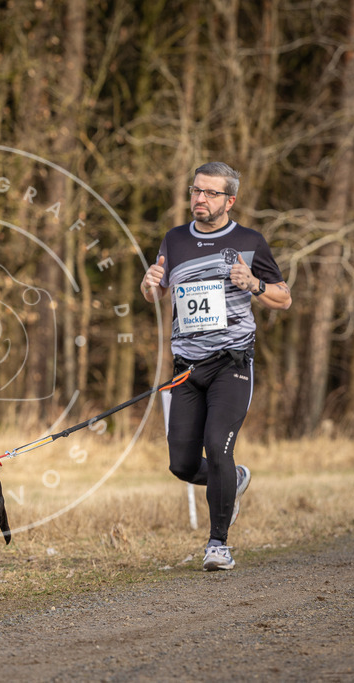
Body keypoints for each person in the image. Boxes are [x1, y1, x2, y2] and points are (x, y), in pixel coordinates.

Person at [140, 162, 292, 571]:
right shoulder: (174, 239)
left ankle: (218, 544)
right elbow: (156, 292)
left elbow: (283, 297)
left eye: (209, 193)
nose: (199, 200)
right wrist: (150, 285)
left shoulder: (249, 241)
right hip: (187, 367)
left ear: (230, 200)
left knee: (217, 443)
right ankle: (234, 478)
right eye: (195, 191)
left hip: (232, 363)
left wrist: (255, 285)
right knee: (182, 465)